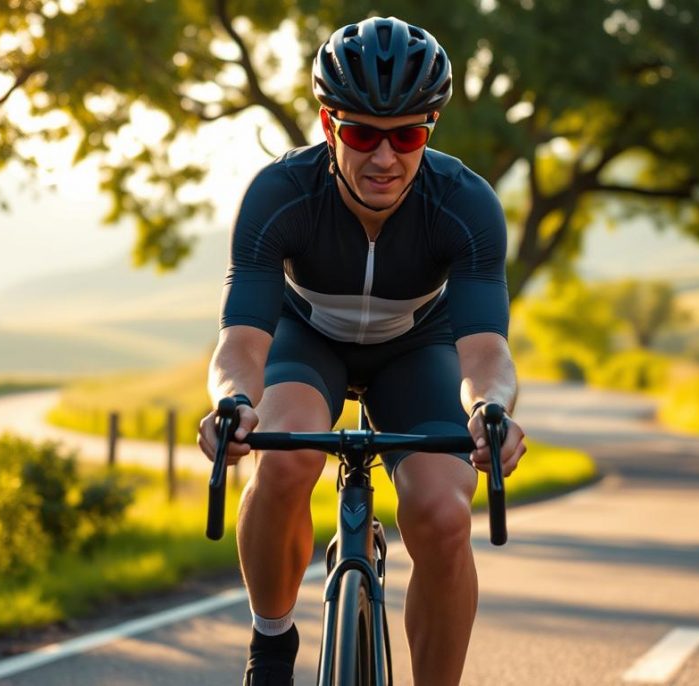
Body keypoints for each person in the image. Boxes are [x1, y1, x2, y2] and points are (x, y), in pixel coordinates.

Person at [197, 16, 527, 686]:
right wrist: (231, 402)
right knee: (286, 459)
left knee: (441, 513)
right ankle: (271, 646)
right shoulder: (280, 193)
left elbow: (485, 349)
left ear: (429, 129)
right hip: (306, 339)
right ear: (327, 125)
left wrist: (492, 409)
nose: (384, 157)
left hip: (419, 349)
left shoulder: (464, 203)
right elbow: (241, 341)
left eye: (407, 135)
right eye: (361, 134)